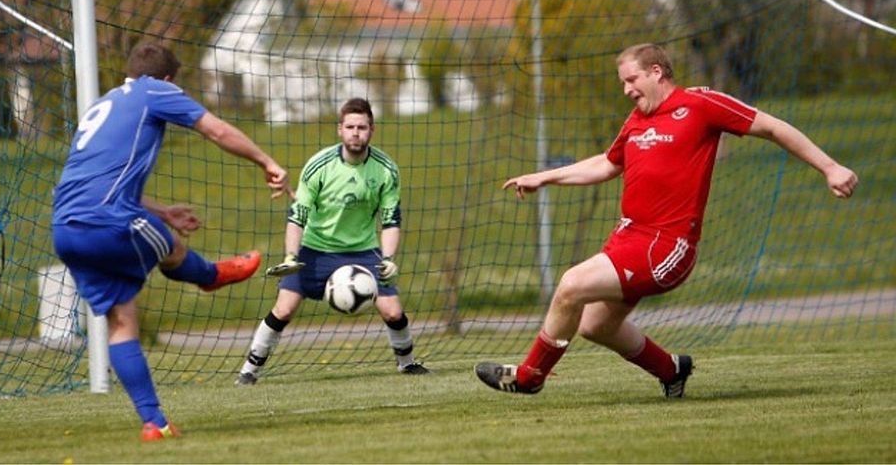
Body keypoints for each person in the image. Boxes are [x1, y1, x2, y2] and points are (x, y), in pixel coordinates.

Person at [475, 43, 857, 398]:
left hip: (666, 246)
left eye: (631, 80)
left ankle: (528, 378)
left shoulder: (700, 104)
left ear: (656, 71)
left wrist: (830, 167)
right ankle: (672, 370)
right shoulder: (637, 119)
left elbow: (772, 126)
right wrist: (544, 176)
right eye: (623, 83)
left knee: (571, 285)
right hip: (629, 237)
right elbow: (608, 164)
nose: (626, 90)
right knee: (595, 325)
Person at [51, 42, 291, 441]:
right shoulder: (155, 90)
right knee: (171, 248)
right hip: (107, 221)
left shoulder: (103, 104)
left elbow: (99, 179)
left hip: (66, 228)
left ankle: (154, 423)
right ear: (168, 80)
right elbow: (215, 128)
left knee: (122, 321)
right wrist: (266, 161)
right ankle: (210, 275)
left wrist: (163, 212)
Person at [235, 97, 430, 385]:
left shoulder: (386, 170)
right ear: (340, 129)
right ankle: (248, 372)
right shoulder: (318, 166)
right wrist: (291, 256)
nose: (355, 132)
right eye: (350, 126)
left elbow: (390, 221)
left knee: (393, 311)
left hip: (363, 250)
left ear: (371, 130)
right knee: (285, 308)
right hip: (315, 249)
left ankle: (407, 363)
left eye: (362, 127)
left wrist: (388, 258)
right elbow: (297, 217)